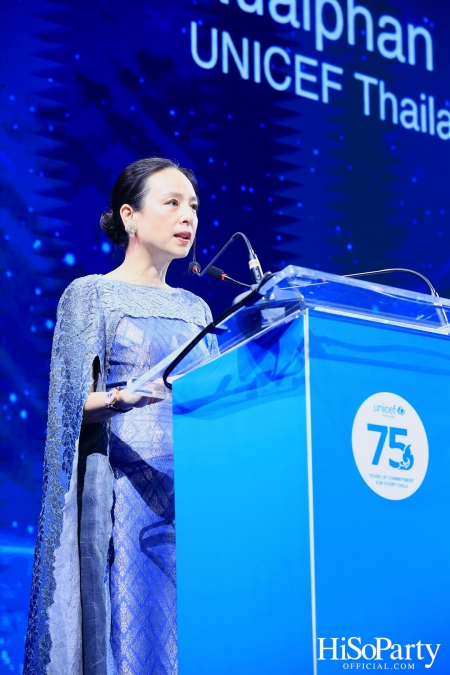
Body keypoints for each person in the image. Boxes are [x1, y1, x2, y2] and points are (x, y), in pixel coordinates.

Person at [24, 158, 216, 675]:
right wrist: (118, 400)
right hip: (122, 495)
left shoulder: (198, 310)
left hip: (191, 496)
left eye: (193, 206)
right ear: (129, 216)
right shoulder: (91, 294)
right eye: (172, 203)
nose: (188, 217)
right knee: (129, 635)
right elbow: (65, 407)